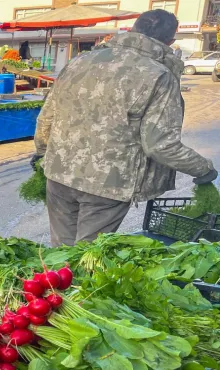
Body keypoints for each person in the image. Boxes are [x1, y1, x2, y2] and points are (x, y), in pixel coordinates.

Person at [32, 10, 217, 247]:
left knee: (61, 253)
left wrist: (41, 151)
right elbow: (160, 145)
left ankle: (55, 283)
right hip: (107, 186)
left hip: (58, 175)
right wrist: (202, 169)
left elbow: (46, 117)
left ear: (131, 30)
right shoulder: (158, 75)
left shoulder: (80, 61)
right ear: (170, 42)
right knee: (86, 258)